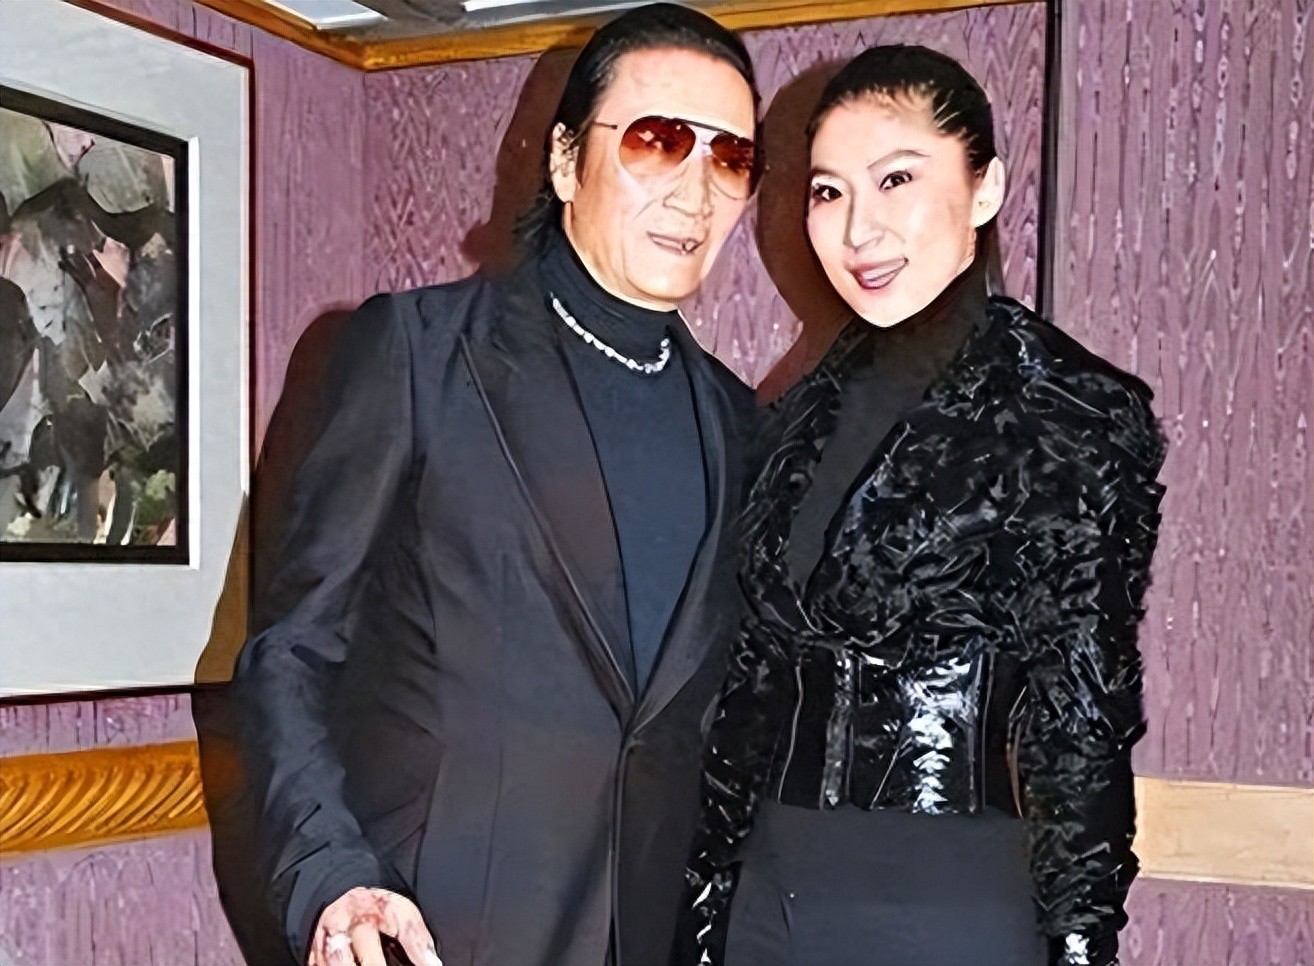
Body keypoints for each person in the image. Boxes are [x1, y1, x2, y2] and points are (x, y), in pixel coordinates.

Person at [231, 6, 762, 965]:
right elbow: (292, 653)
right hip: (432, 929)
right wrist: (328, 870)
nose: (696, 189)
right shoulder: (416, 354)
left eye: (730, 158)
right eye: (656, 140)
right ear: (564, 160)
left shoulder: (739, 423)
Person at [682, 45, 1166, 966]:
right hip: (765, 897)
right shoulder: (792, 416)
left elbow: (1081, 715)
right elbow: (750, 679)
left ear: (986, 188)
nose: (858, 227)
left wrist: (1080, 946)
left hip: (944, 901)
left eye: (895, 179)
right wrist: (706, 903)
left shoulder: (1069, 409)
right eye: (828, 192)